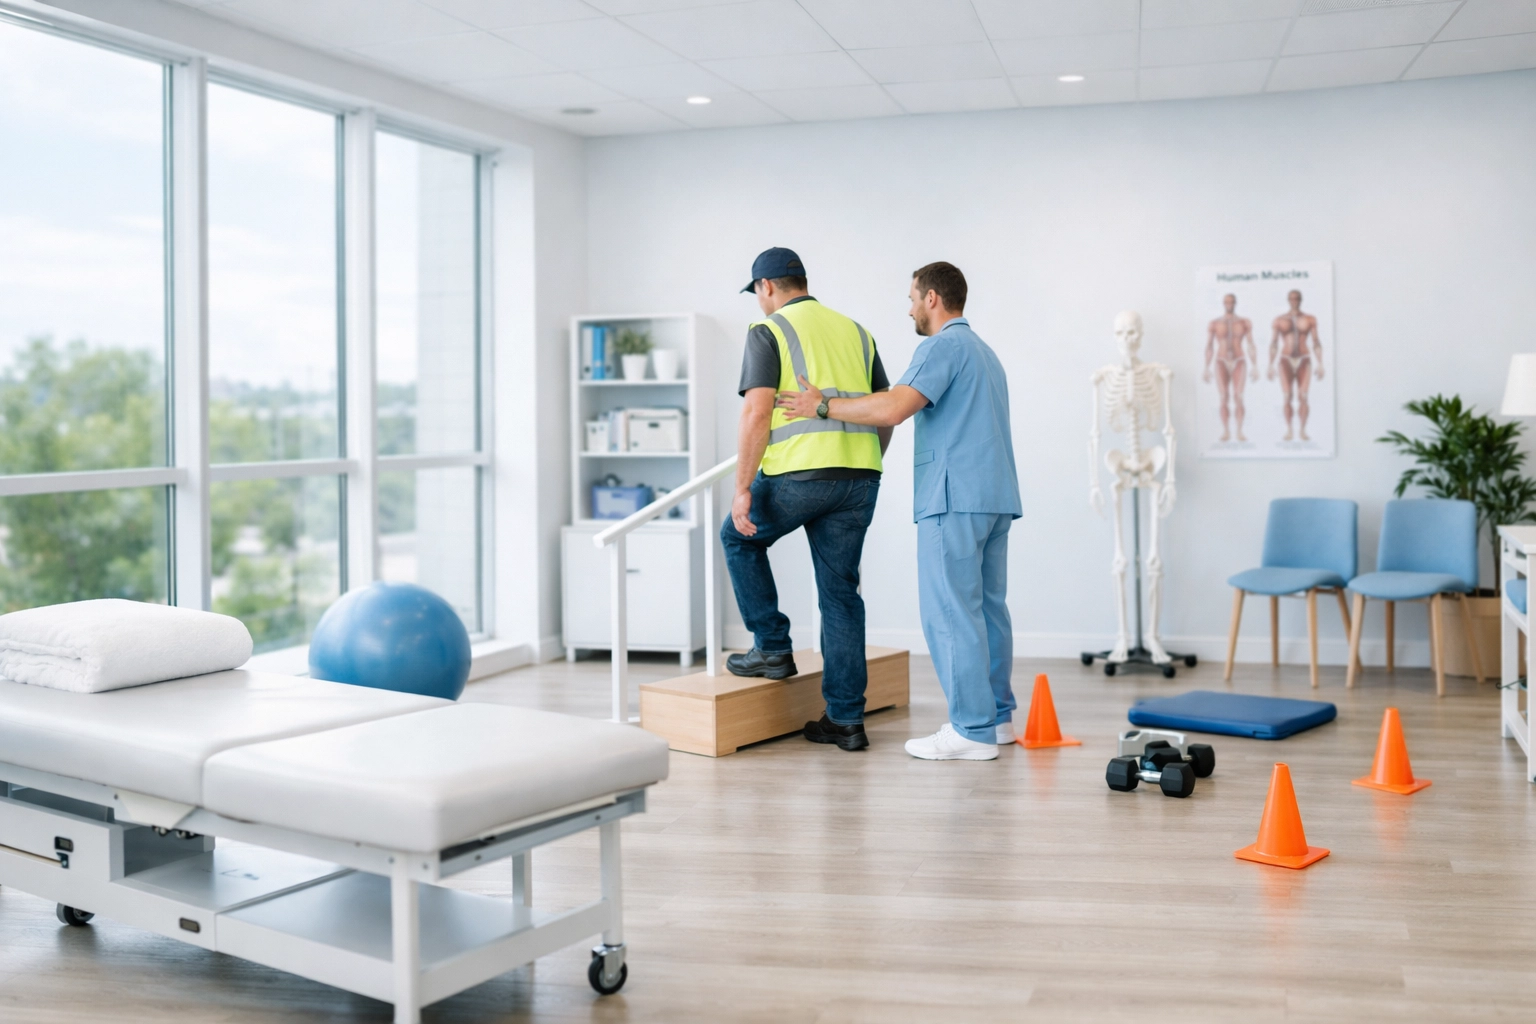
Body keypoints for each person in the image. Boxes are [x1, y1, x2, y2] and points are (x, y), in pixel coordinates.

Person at [777, 262, 1021, 761]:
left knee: (950, 612)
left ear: (932, 298)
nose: (908, 307)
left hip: (953, 497)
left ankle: (969, 731)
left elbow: (892, 408)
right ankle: (996, 720)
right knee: (988, 609)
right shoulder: (985, 353)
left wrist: (823, 406)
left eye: (912, 298)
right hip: (993, 497)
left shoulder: (941, 346)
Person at [720, 247, 893, 753]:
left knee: (738, 538)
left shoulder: (767, 332)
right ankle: (845, 721)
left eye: (756, 293)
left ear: (766, 287)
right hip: (860, 475)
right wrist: (865, 460)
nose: (758, 302)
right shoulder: (857, 332)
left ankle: (772, 647)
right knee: (841, 598)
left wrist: (742, 489)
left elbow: (756, 414)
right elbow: (883, 413)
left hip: (801, 474)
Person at [1267, 289, 1325, 442]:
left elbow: (1316, 341)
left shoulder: (1310, 319)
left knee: (1303, 396)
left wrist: (1320, 363)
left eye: (1297, 298)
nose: (1294, 301)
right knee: (1287, 396)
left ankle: (1303, 430)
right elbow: (1273, 343)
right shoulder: (1279, 320)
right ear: (1288, 300)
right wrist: (1270, 364)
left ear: (1301, 300)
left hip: (1304, 358)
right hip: (1285, 359)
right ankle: (1289, 430)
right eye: (1292, 298)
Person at [1203, 293, 1257, 442]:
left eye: (1232, 302)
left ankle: (1239, 431)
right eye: (1227, 302)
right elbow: (1209, 345)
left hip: (1239, 359)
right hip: (1221, 360)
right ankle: (1226, 431)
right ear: (1223, 303)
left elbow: (1251, 344)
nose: (1229, 304)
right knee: (1223, 397)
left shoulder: (1244, 322)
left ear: (1235, 303)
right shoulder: (1214, 323)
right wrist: (1206, 367)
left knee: (1239, 397)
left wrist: (1255, 365)